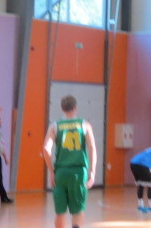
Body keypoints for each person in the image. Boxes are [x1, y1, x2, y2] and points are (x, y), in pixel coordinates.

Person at [43, 95, 97, 228]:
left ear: (62, 108)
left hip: (61, 173)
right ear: (75, 107)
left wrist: (51, 172)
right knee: (77, 211)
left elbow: (46, 149)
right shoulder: (84, 124)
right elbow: (92, 148)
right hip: (79, 173)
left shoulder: (55, 126)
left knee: (60, 213)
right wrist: (92, 172)